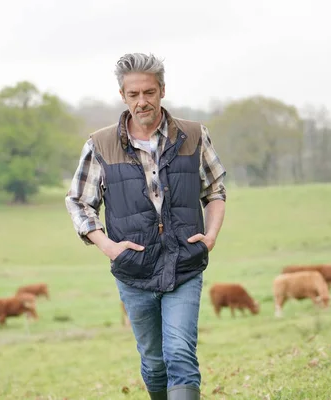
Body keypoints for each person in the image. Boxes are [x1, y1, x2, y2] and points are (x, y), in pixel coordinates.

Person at [65, 53, 227, 400]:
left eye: (149, 92)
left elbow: (215, 190)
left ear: (162, 90)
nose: (143, 101)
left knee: (180, 355)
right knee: (154, 363)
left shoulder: (194, 136)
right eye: (134, 94)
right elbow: (79, 201)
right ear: (123, 96)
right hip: (134, 271)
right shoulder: (100, 145)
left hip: (184, 264)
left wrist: (210, 236)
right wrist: (108, 246)